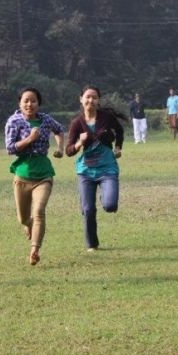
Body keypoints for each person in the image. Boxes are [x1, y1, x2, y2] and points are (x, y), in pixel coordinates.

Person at [5, 87, 64, 266]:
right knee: (23, 218)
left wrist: (60, 148)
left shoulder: (45, 120)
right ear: (20, 103)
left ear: (38, 103)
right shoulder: (14, 121)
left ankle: (34, 250)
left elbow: (59, 130)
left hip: (43, 174)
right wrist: (29, 139)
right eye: (26, 101)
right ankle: (27, 224)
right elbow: (10, 148)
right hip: (22, 175)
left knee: (38, 212)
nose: (29, 104)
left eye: (33, 101)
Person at [66, 85, 125, 252]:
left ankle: (105, 196)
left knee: (110, 205)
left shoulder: (106, 118)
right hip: (86, 171)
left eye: (94, 97)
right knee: (88, 209)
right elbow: (69, 151)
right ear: (81, 99)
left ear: (98, 101)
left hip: (107, 168)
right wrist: (79, 142)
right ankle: (92, 244)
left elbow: (119, 130)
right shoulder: (77, 123)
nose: (90, 100)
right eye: (87, 97)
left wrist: (118, 147)